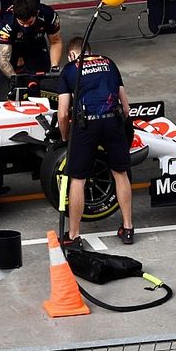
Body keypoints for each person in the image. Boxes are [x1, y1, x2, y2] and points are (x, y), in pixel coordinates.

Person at [56, 37, 133, 248]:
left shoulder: (70, 69)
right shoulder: (109, 63)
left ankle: (74, 234)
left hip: (86, 124)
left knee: (78, 179)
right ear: (90, 51)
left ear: (72, 55)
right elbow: (126, 108)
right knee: (120, 173)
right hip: (113, 120)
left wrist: (65, 139)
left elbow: (63, 114)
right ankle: (128, 228)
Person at [0, 0, 62, 94]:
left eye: (29, 22)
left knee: (42, 82)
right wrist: (14, 78)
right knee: (8, 87)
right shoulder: (6, 22)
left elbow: (56, 42)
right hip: (10, 45)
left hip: (35, 42)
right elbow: (3, 60)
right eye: (22, 23)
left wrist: (55, 67)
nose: (25, 26)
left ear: (37, 13)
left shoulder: (48, 14)